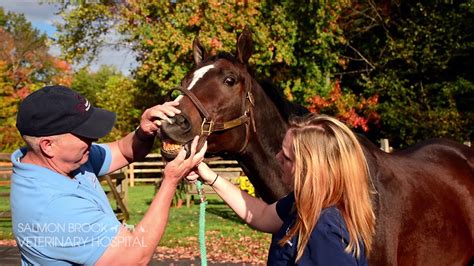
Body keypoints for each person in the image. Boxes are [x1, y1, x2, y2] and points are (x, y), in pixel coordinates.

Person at [11, 85, 206, 265]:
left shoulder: (64, 160)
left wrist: (144, 131)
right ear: (48, 145)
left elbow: (122, 151)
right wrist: (170, 181)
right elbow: (134, 258)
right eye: (84, 133)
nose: (94, 138)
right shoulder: (53, 206)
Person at [187, 114, 376, 265]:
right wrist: (210, 176)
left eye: (286, 157)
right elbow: (261, 214)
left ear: (310, 169)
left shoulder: (325, 231)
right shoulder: (304, 203)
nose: (277, 158)